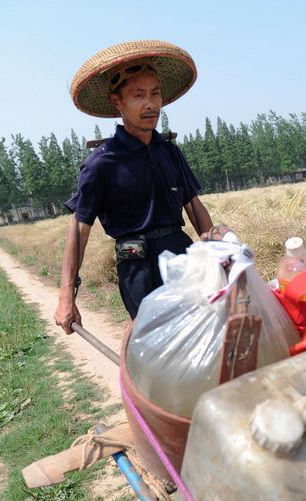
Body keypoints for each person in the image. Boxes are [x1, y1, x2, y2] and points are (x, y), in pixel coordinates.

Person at [54, 40, 214, 333]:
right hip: (137, 266)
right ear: (117, 102)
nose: (150, 103)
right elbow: (79, 231)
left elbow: (195, 206)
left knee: (203, 333)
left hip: (181, 257)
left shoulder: (170, 151)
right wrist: (67, 295)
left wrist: (215, 249)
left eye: (155, 93)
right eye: (138, 95)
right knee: (155, 345)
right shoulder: (101, 163)